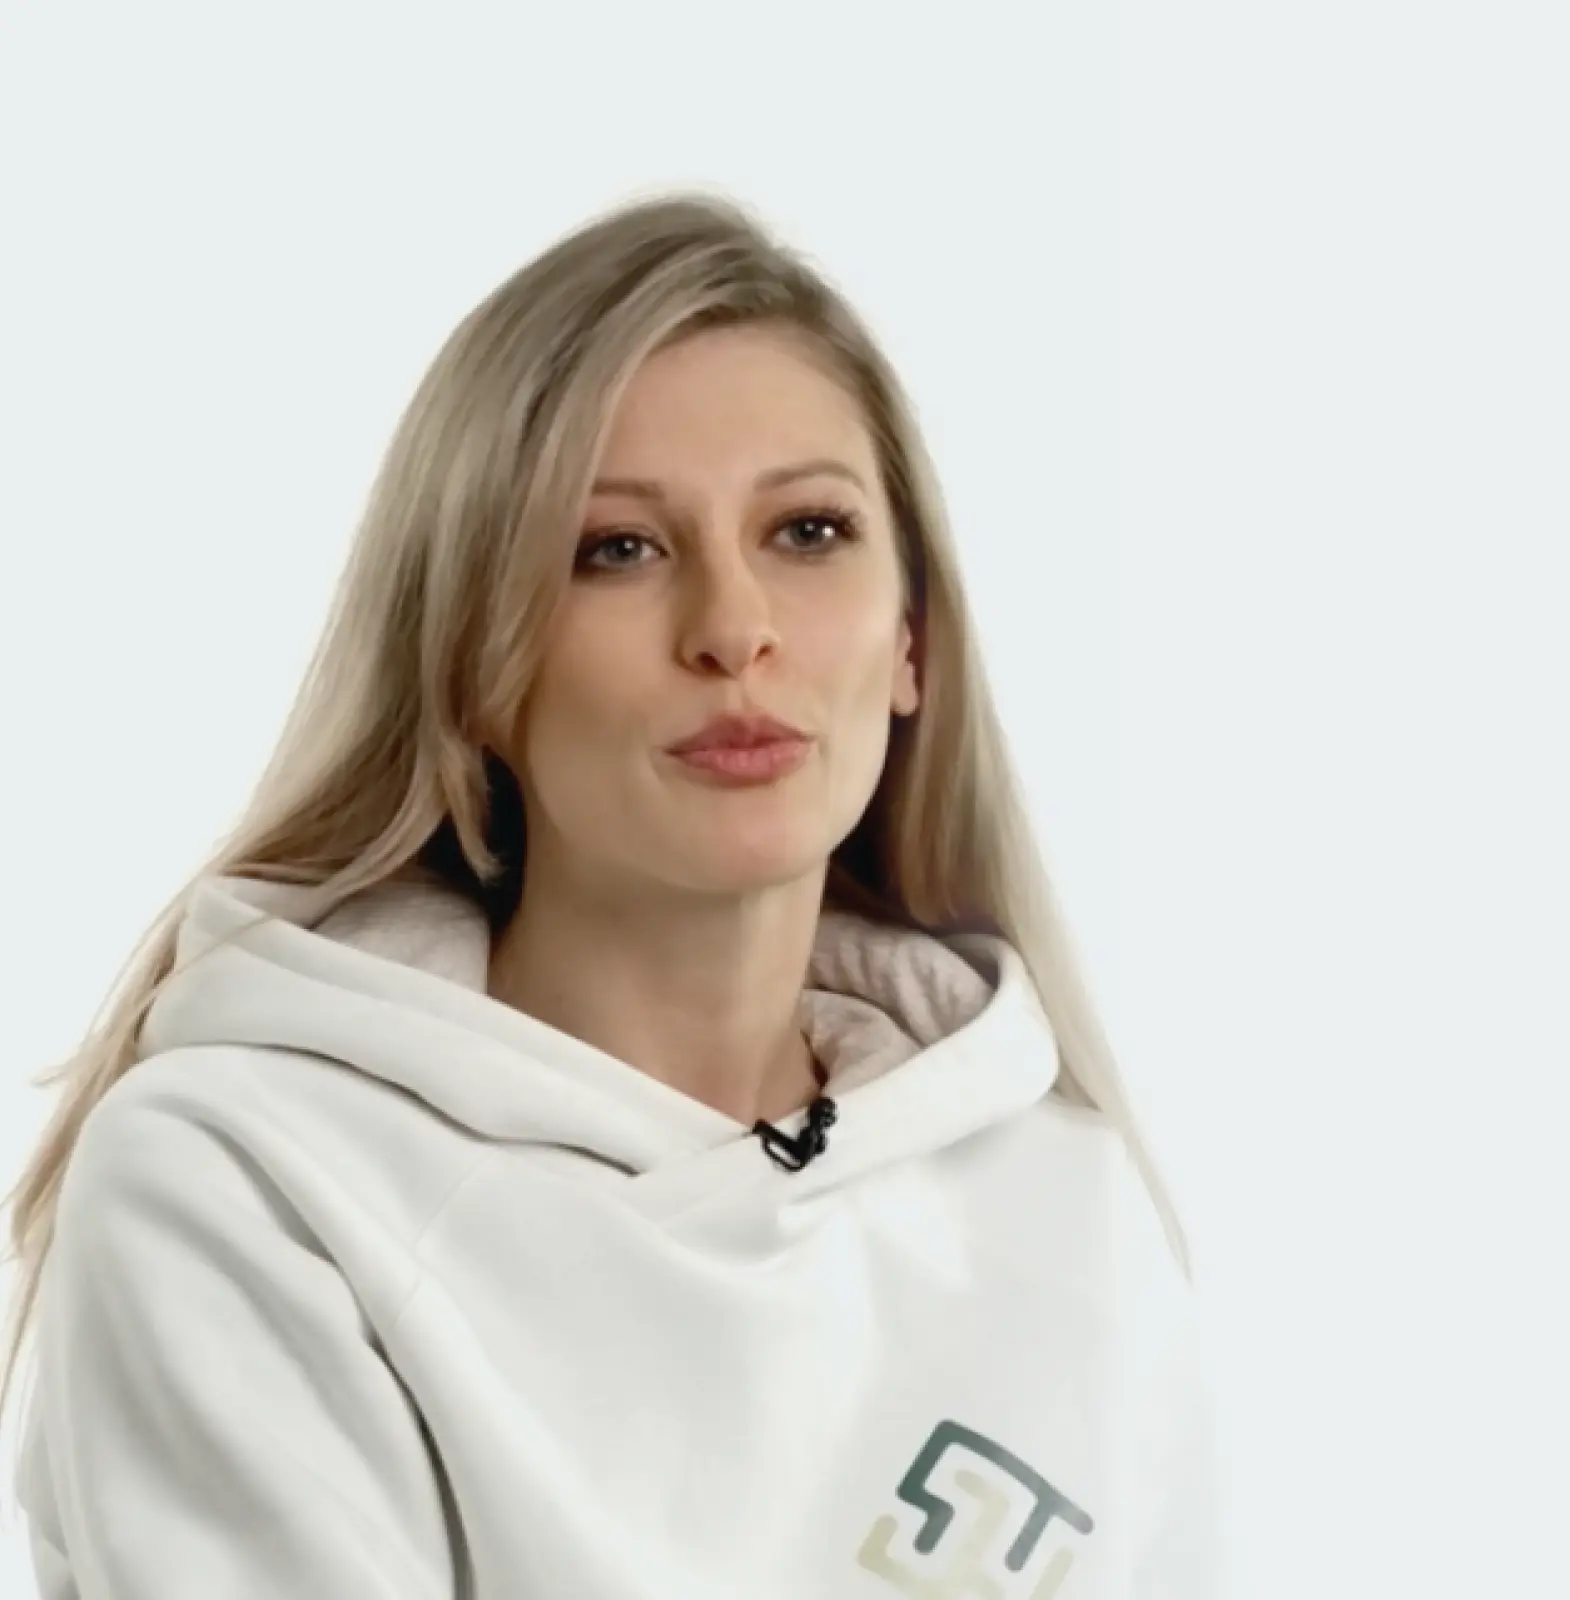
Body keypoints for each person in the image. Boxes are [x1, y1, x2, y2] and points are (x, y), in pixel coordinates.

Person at [0, 188, 1222, 1597]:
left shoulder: (1066, 1199)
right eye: (618, 550)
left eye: (808, 531)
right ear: (474, 663)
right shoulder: (246, 1184)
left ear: (910, 642)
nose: (734, 630)